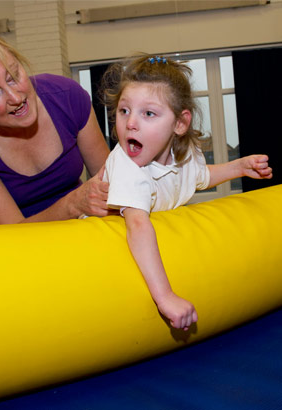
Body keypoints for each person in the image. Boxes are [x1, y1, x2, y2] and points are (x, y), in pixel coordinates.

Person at [101, 54, 273, 331]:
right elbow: (137, 225)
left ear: (180, 124)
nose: (131, 123)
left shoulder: (185, 154)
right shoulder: (125, 162)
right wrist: (165, 297)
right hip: (104, 245)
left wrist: (238, 167)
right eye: (124, 111)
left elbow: (200, 178)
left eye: (148, 113)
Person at [0, 25, 110, 226]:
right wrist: (72, 205)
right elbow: (11, 230)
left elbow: (111, 183)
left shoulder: (67, 97)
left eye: (13, 76)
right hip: (10, 243)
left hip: (72, 229)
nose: (15, 97)